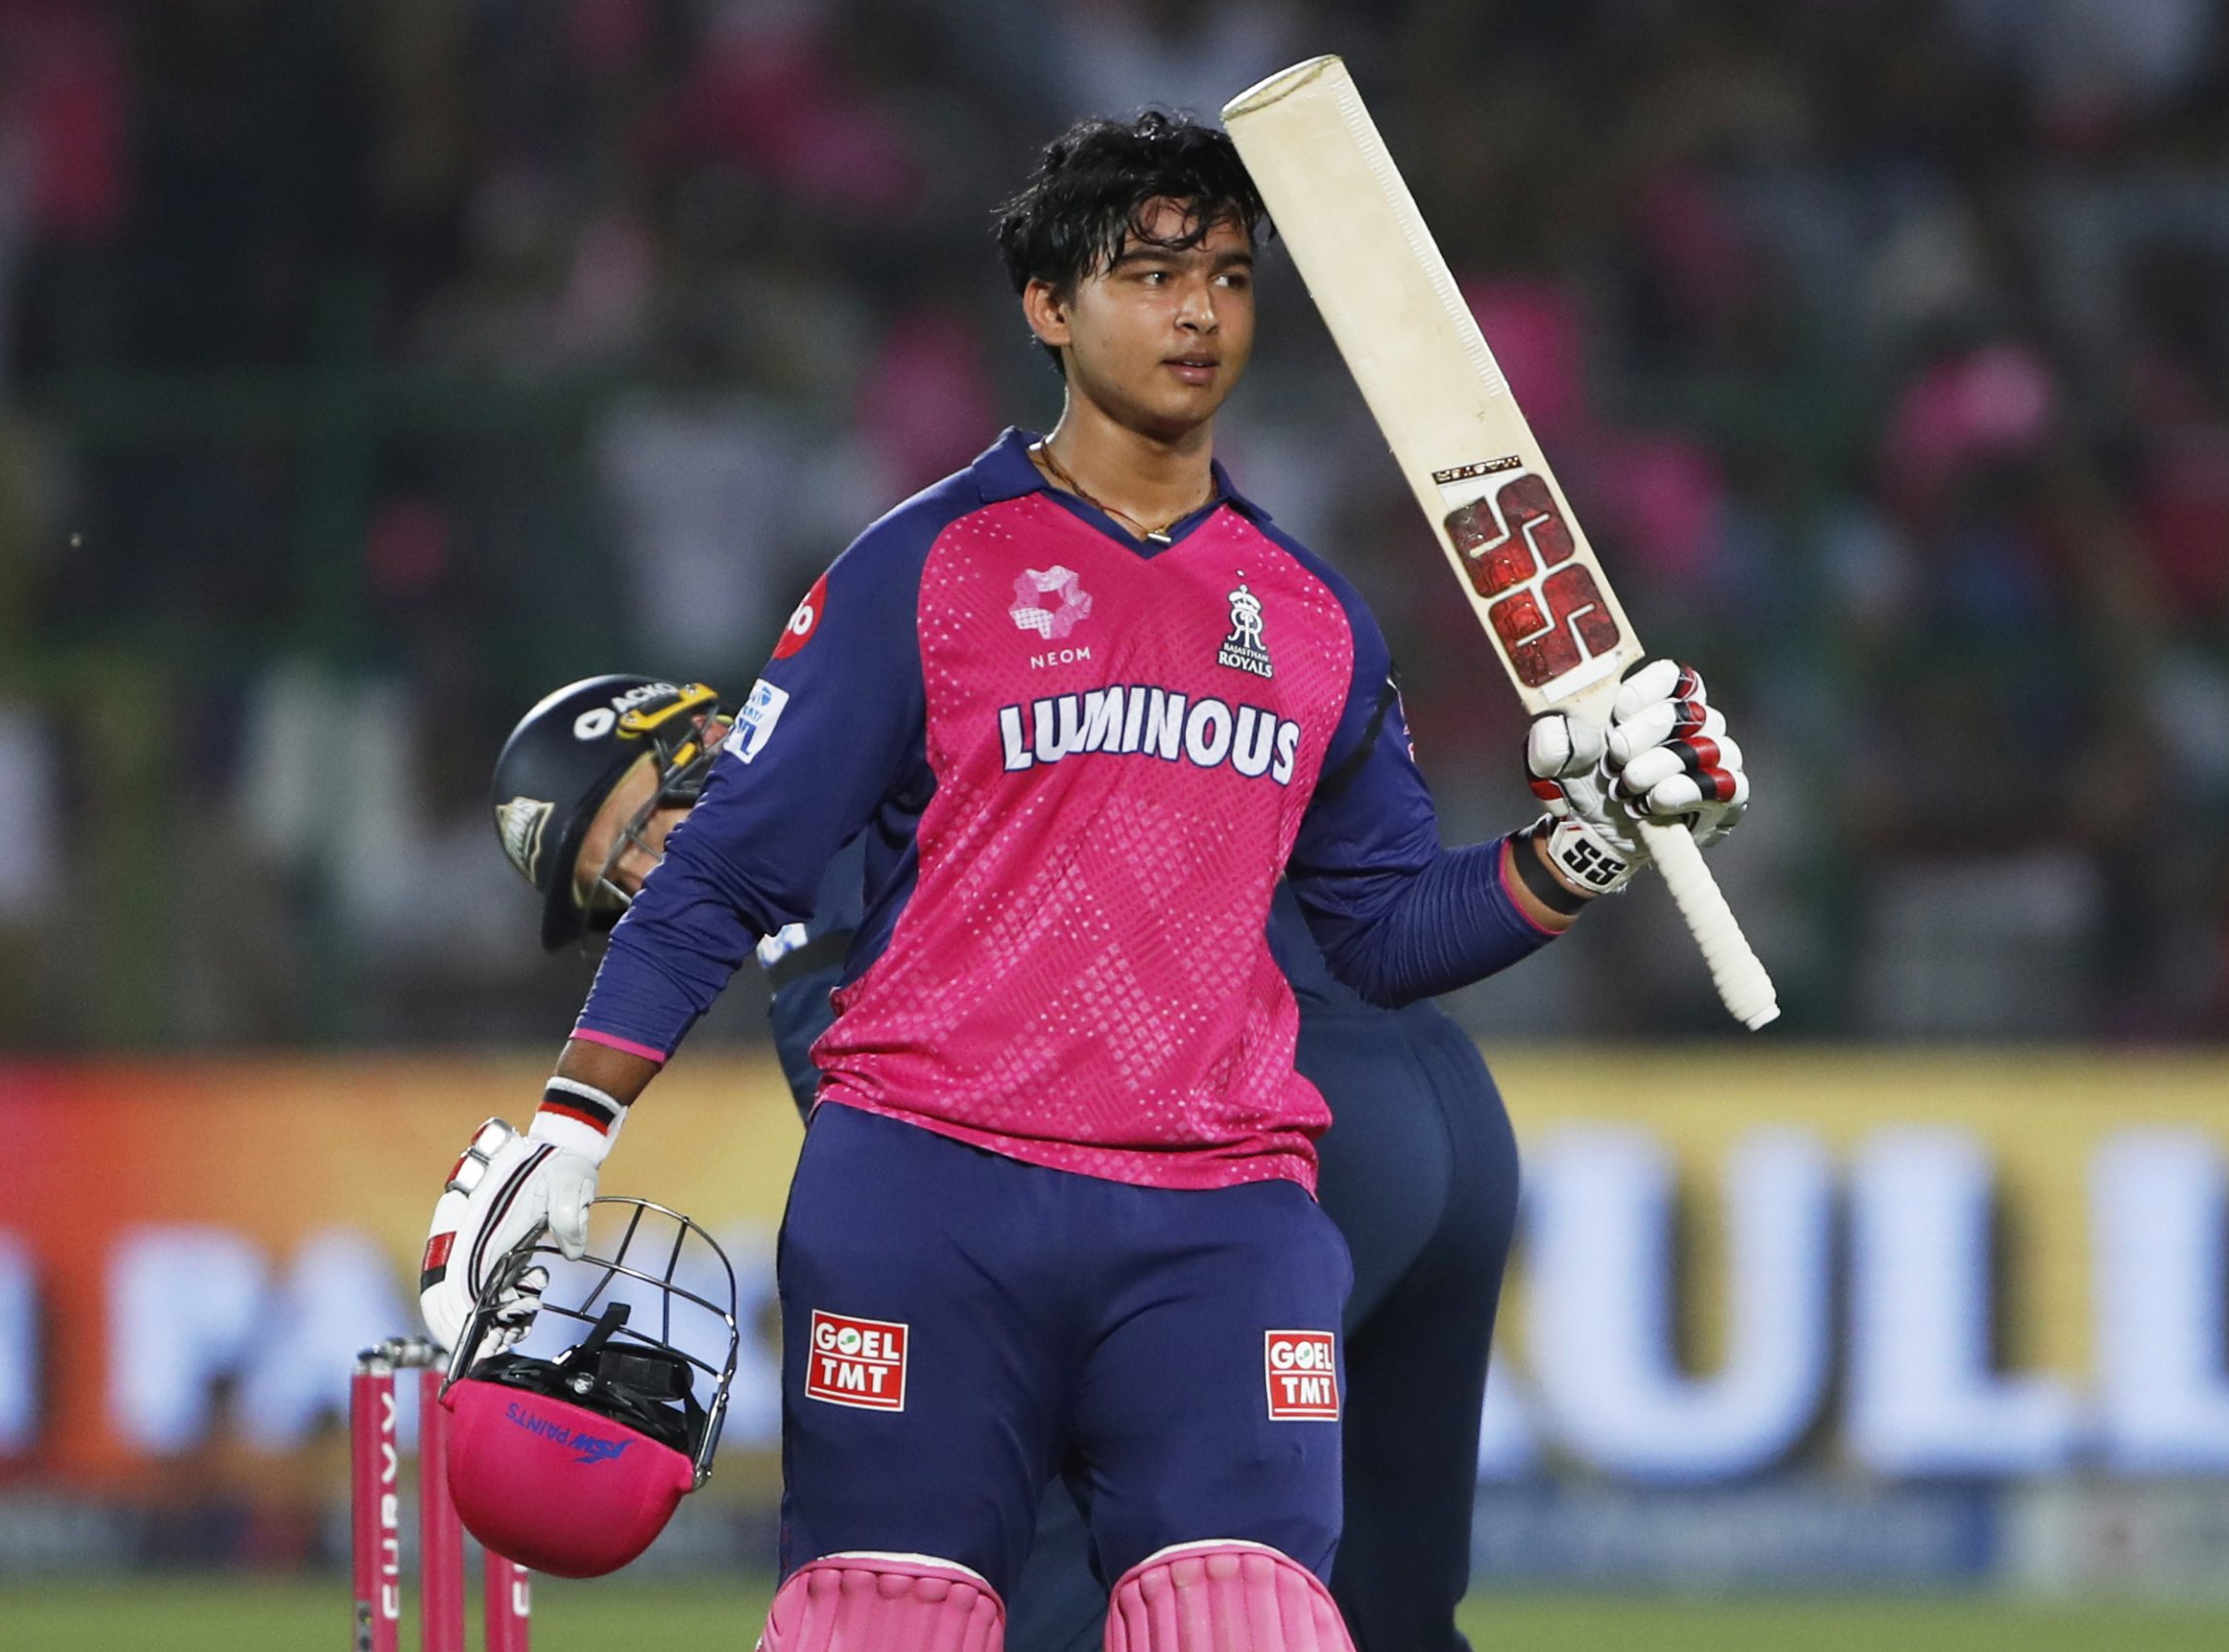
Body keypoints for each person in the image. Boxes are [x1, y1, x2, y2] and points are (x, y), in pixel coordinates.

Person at [427, 110, 1748, 1652]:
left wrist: (1579, 845)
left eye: (1231, 276)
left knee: (1253, 1619)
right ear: (1046, 305)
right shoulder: (919, 566)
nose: (1199, 312)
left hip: (1234, 1185)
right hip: (944, 1186)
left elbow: (1385, 930)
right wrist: (572, 1129)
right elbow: (723, 873)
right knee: (901, 1619)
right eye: (1152, 273)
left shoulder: (1311, 613)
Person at [491, 671, 1514, 1652]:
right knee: (1390, 1622)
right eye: (610, 890)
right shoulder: (934, 698)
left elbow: (910, 1172)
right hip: (1442, 1114)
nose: (639, 883)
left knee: (1033, 1586)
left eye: (627, 836)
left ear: (699, 740)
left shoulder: (807, 819)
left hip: (1273, 1141)